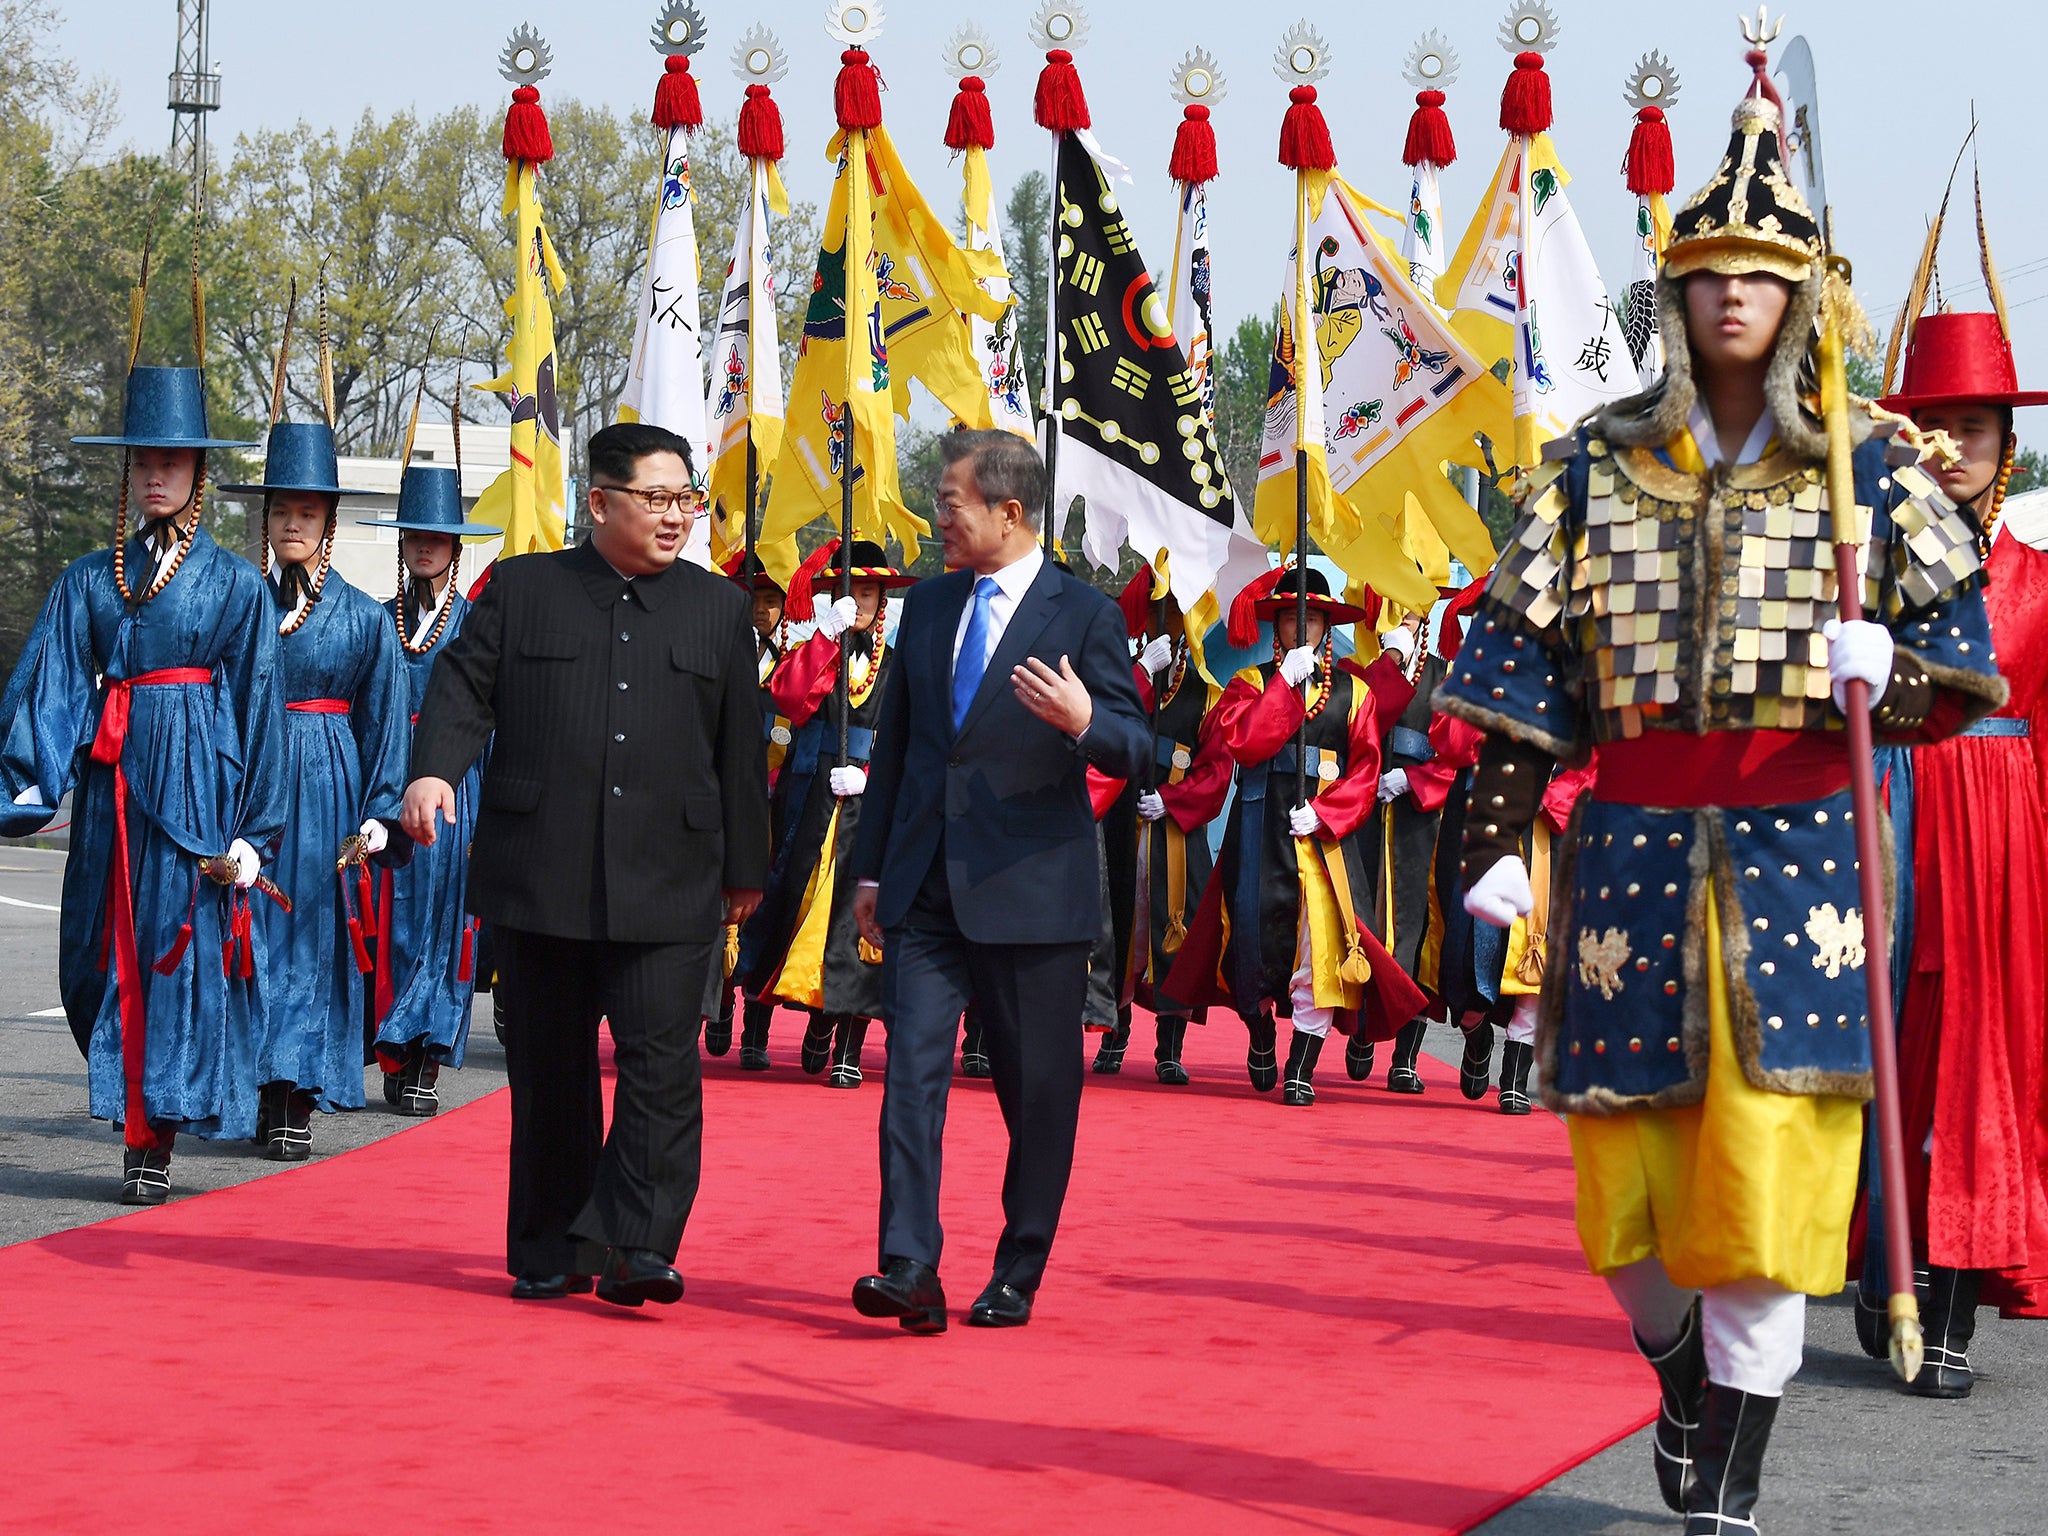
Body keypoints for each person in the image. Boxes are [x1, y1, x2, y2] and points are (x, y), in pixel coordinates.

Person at [1435, 51, 2005, 1533]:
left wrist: (1906, 666)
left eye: (1760, 275)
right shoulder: (1592, 476)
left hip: (1803, 858)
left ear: (1798, 296)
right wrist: (1492, 839)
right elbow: (1518, 672)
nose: (1734, 298)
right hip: (1627, 857)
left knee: (1765, 1202)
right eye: (1711, 276)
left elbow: (1962, 666)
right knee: (1623, 1214)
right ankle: (1676, 1379)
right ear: (1679, 298)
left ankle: (1728, 1499)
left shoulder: (1874, 479)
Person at [401, 421, 769, 1309]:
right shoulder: (525, 589)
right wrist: (432, 771)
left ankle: (638, 1243)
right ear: (599, 502)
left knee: (661, 1070)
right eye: (656, 498)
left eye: (686, 498)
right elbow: (463, 686)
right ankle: (550, 1247)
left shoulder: (718, 610)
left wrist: (748, 871)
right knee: (551, 1071)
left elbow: (740, 755)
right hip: (542, 871)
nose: (676, 515)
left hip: (673, 874)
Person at [845, 428, 1150, 1333]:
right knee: (910, 1079)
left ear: (1008, 513)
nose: (937, 516)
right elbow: (898, 747)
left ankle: (1019, 1265)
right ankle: (908, 1266)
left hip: (1031, 896)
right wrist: (870, 870)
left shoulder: (1083, 613)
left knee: (1037, 1094)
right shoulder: (931, 606)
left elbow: (1143, 750)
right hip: (925, 890)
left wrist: (1087, 718)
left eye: (950, 502)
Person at [0, 361, 280, 1204]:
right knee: (95, 958)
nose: (154, 473)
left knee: (167, 960)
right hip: (110, 793)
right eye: (140, 460)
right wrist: (23, 784)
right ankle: (136, 1111)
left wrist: (252, 831)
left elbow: (258, 703)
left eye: (171, 458)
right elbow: (49, 684)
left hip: (196, 791)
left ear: (197, 469)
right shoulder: (88, 579)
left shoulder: (235, 584)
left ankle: (147, 1138)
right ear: (126, 470)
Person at [1847, 285, 2048, 1393]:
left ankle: (1953, 1300)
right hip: (1883, 813)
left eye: (1978, 425)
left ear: (2005, 446)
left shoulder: (2035, 582)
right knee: (1884, 1054)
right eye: (1940, 423)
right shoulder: (1862, 572)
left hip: (1997, 843)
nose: (1957, 444)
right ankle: (1887, 1269)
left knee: (1981, 1059)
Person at [1165, 566, 1427, 1107]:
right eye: (1289, 621)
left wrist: (1329, 813)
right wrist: (1286, 685)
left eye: (1310, 622)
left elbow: (1366, 766)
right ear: (1277, 627)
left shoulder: (1354, 691)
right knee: (1251, 939)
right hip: (1262, 829)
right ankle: (1260, 1031)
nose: (1299, 631)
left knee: (1324, 944)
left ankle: (1301, 1066)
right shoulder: (1251, 683)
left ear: (1326, 627)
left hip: (1324, 836)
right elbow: (1245, 742)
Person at [229, 420, 412, 1158]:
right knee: (249, 939)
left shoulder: (367, 620)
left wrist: (378, 814)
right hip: (248, 789)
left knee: (309, 941)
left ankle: (294, 1096)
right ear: (267, 520)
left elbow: (386, 726)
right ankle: (252, 1085)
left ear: (329, 521)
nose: (292, 524)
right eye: (281, 511)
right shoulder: (237, 607)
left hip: (328, 788)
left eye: (307, 512)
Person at [740, 538, 915, 1088]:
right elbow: (789, 699)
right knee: (790, 900)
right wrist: (824, 637)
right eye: (850, 591)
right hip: (810, 796)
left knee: (856, 918)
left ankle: (844, 1037)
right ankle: (755, 1020)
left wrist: (874, 773)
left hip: (869, 800)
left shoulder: (900, 662)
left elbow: (912, 734)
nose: (859, 602)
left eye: (868, 593)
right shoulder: (815, 646)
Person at [356, 461, 501, 1115]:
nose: (425, 546)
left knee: (445, 926)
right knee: (388, 922)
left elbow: (498, 720)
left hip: (454, 793)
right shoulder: (376, 622)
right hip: (387, 786)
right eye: (415, 534)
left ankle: (427, 1057)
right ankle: (390, 1044)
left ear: (455, 547)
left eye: (437, 537)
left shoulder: (478, 625)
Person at [1089, 569, 1231, 1085]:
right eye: (1155, 611)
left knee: (1179, 928)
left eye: (1173, 611)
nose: (1164, 622)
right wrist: (1141, 675)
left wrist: (1171, 801)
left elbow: (1217, 770)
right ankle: (1114, 1032)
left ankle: (1169, 1046)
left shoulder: (1208, 692)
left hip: (1175, 827)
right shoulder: (1126, 675)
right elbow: (1102, 729)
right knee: (1122, 926)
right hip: (1124, 819)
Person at [708, 551, 790, 1068]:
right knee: (719, 913)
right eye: (750, 598)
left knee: (768, 913)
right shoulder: (717, 652)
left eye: (768, 600)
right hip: (723, 798)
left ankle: (756, 1025)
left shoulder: (795, 660)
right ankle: (718, 1003)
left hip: (779, 799)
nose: (759, 610)